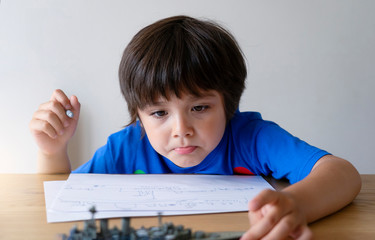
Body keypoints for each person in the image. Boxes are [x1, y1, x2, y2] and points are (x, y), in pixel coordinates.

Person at [29, 15, 361, 240]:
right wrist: (53, 152)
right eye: (159, 113)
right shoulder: (127, 147)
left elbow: (343, 175)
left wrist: (297, 204)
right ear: (138, 116)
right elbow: (63, 201)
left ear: (228, 104)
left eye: (199, 108)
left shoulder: (250, 138)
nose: (181, 129)